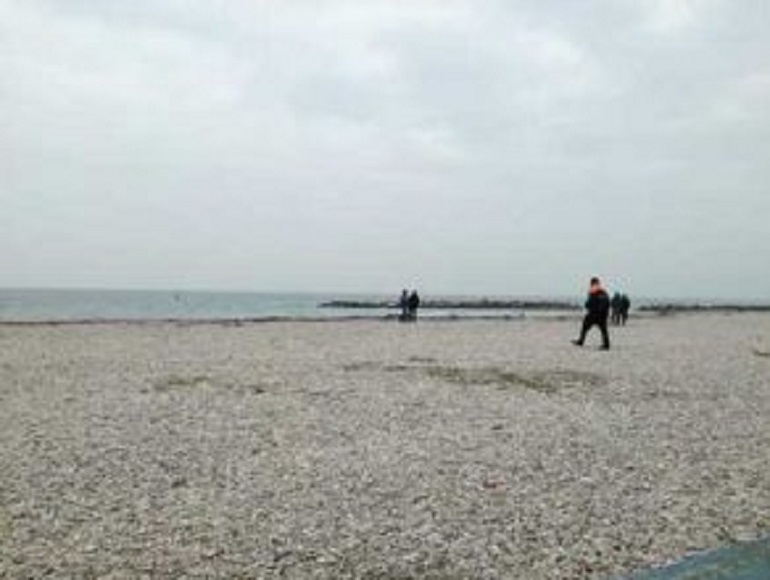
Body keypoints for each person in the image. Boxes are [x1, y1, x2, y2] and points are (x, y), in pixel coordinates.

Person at [572, 277, 611, 350]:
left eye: (591, 283)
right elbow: (607, 303)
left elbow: (591, 302)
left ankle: (581, 341)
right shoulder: (603, 291)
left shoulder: (593, 290)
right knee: (603, 330)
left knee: (585, 326)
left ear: (592, 283)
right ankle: (606, 344)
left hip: (594, 313)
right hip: (602, 314)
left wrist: (587, 305)